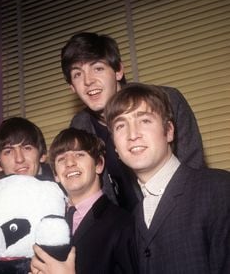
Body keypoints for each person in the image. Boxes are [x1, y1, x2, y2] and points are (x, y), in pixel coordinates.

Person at [61, 32, 206, 212]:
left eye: (97, 68)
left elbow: (193, 166)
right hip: (123, 231)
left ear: (118, 71)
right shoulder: (79, 125)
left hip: (178, 214)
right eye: (77, 74)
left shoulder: (167, 100)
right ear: (72, 87)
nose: (88, 81)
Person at [104, 83, 230, 273]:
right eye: (121, 126)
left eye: (144, 120)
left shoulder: (219, 189)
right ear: (115, 148)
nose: (132, 134)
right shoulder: (135, 217)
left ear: (169, 131)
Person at [31, 127, 137, 274]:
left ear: (99, 164)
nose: (69, 163)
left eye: (79, 154)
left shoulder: (123, 224)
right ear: (55, 174)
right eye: (61, 159)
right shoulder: (49, 223)